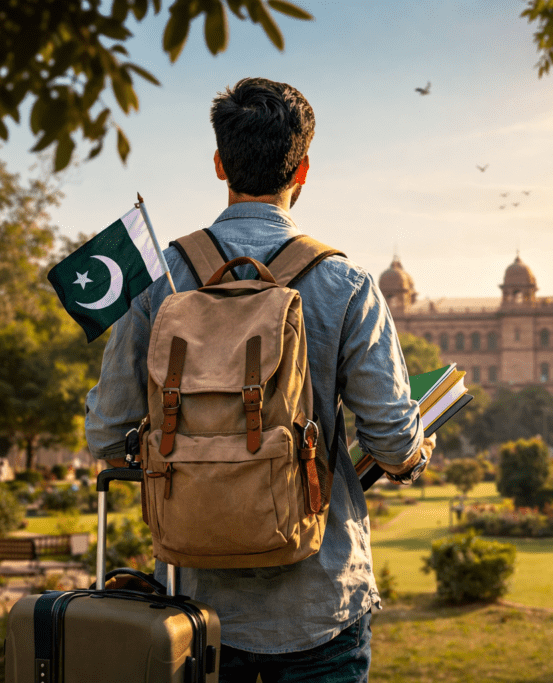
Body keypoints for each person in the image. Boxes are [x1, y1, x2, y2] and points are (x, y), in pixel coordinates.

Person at [85, 77, 434, 683]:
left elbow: (108, 433)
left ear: (220, 164)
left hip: (194, 612)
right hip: (318, 604)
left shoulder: (162, 279)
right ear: (302, 171)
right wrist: (414, 455)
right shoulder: (345, 284)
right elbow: (393, 440)